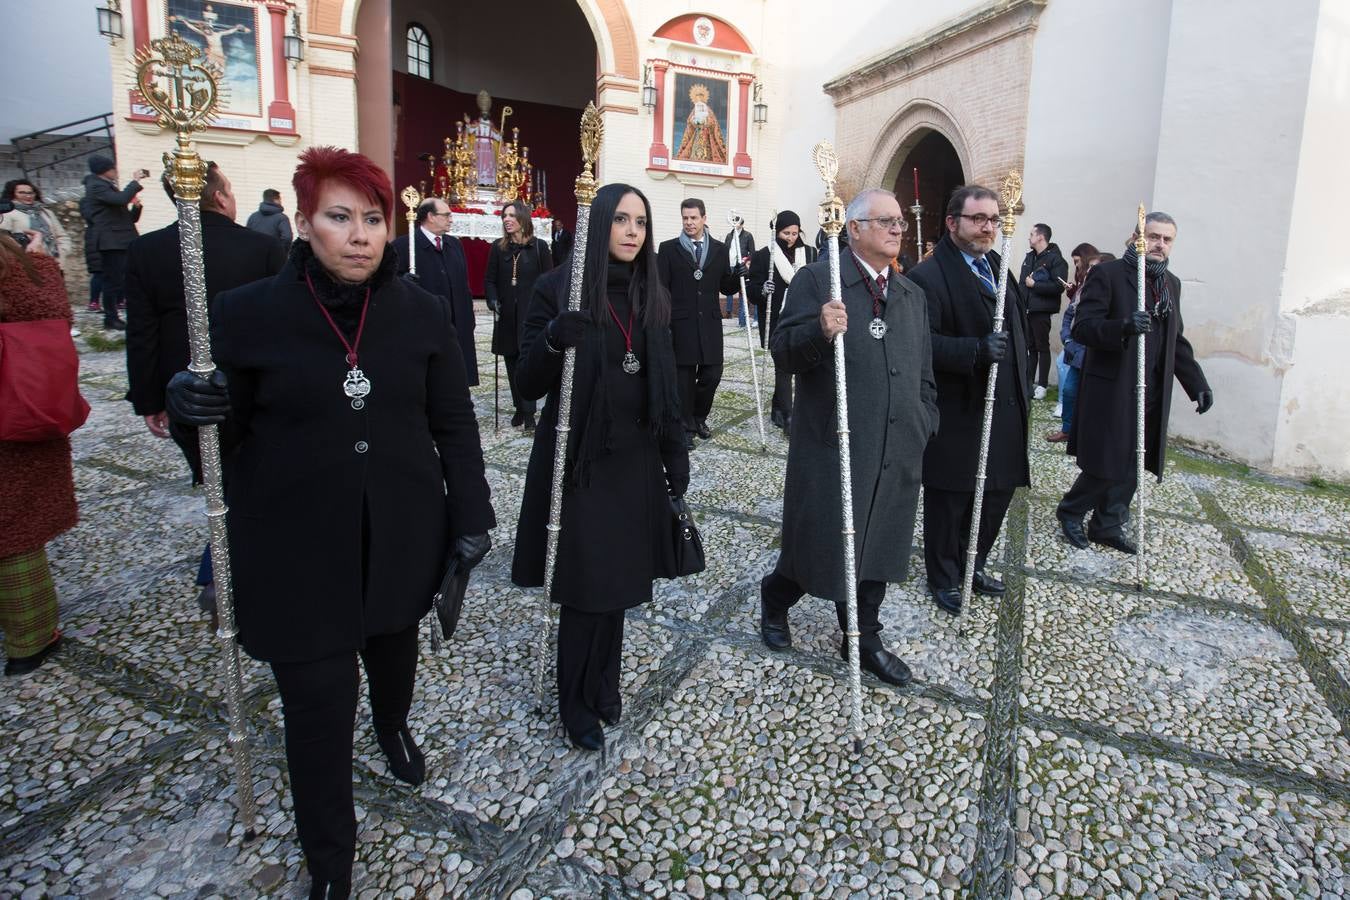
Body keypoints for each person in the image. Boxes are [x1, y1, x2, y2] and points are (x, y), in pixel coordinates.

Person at [164, 146, 494, 899]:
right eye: (339, 218)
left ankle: (395, 725)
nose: (358, 236)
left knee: (393, 653)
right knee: (316, 714)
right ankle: (331, 865)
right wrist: (191, 408)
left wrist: (472, 513)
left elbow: (454, 421)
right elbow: (222, 437)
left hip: (402, 533)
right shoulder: (247, 315)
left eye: (372, 220)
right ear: (306, 222)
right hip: (295, 549)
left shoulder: (420, 311)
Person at [511, 183, 687, 751]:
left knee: (621, 583)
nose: (633, 231)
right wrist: (553, 342)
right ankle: (575, 701)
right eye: (621, 220)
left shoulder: (650, 292)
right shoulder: (556, 289)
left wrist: (673, 459)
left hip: (634, 459)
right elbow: (526, 382)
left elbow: (664, 381)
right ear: (599, 224)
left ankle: (605, 682)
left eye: (641, 222)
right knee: (587, 588)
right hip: (581, 460)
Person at [760, 188, 937, 686]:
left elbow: (924, 370)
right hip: (833, 444)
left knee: (878, 543)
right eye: (885, 222)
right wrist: (818, 329)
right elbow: (784, 353)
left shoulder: (910, 294)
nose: (897, 230)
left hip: (897, 443)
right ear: (854, 228)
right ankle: (775, 600)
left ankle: (862, 638)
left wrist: (926, 418)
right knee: (819, 544)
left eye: (899, 221)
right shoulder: (820, 279)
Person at [124, 163, 287, 615]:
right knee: (241, 482)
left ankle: (220, 567)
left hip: (183, 399)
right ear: (218, 197)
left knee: (225, 481)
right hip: (254, 390)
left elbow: (141, 333)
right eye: (231, 190)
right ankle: (221, 569)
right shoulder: (261, 248)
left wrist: (149, 400)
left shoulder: (146, 251)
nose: (233, 199)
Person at [1058, 213, 1212, 553]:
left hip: (1152, 387)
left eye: (1166, 239)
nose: (1159, 244)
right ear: (1135, 237)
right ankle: (1070, 510)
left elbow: (1177, 340)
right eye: (1153, 236)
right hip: (1114, 386)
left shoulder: (1171, 283)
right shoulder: (1108, 275)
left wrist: (1196, 382)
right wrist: (1124, 326)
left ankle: (1107, 523)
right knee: (1108, 460)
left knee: (1133, 460)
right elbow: (1084, 327)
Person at [908, 185, 1030, 616]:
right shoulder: (927, 277)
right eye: (978, 219)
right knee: (951, 498)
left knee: (997, 492)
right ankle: (944, 575)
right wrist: (974, 351)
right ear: (952, 222)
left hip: (1004, 408)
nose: (988, 227)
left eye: (994, 219)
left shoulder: (997, 263)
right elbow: (919, 345)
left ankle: (971, 564)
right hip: (958, 410)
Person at [0, 233, 76, 676]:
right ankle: (29, 641)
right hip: (16, 413)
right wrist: (41, 262)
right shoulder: (24, 270)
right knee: (16, 535)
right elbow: (51, 313)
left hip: (15, 417)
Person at [656, 198, 742, 446]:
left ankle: (698, 417)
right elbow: (661, 288)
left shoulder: (719, 249)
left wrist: (737, 276)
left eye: (694, 218)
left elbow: (725, 286)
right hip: (680, 325)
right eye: (685, 218)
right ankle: (685, 426)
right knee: (683, 381)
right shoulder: (669, 249)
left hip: (710, 325)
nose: (689, 222)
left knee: (712, 375)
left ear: (704, 218)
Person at [392, 196, 479, 386]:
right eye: (446, 215)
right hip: (425, 325)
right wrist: (402, 282)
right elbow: (387, 284)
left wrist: (468, 317)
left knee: (457, 377)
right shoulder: (403, 246)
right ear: (431, 216)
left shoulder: (454, 244)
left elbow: (464, 284)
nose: (451, 219)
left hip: (457, 324)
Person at [485, 199, 554, 429]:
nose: (507, 219)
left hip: (531, 318)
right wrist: (492, 299)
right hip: (506, 317)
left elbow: (549, 281)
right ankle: (518, 408)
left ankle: (529, 412)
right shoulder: (498, 247)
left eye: (512, 215)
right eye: (504, 216)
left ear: (523, 219)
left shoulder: (539, 248)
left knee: (529, 364)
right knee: (511, 363)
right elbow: (490, 280)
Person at [745, 210, 815, 430]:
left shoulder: (810, 254)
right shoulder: (764, 256)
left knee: (801, 366)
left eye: (795, 233)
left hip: (804, 317)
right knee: (783, 367)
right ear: (777, 232)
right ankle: (788, 415)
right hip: (777, 319)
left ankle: (778, 408)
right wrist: (763, 289)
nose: (791, 238)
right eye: (786, 233)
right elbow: (752, 289)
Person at [83, 155, 150, 331]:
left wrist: (136, 207)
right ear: (105, 170)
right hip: (111, 241)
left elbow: (128, 218)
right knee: (112, 281)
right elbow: (120, 200)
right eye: (113, 168)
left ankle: (118, 314)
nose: (116, 171)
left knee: (122, 279)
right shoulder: (96, 186)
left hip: (121, 239)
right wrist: (134, 182)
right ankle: (111, 317)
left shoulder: (107, 187)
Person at [1047, 244, 1101, 443]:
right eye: (1089, 268)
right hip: (1077, 349)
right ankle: (1068, 429)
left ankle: (1087, 434)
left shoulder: (1104, 291)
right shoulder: (1082, 290)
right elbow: (1070, 314)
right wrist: (1067, 339)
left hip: (1095, 352)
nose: (1090, 272)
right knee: (1069, 390)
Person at [1019, 222, 1068, 400]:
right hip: (1028, 308)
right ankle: (1030, 381)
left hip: (1042, 309)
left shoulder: (1056, 260)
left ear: (1041, 237)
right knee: (1030, 346)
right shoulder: (1029, 257)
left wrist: (1036, 285)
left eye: (1032, 234)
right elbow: (1022, 283)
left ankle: (1042, 385)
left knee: (1042, 346)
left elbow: (1058, 286)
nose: (1029, 237)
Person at [0, 180, 71, 267]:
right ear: (12, 194)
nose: (28, 196)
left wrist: (62, 252)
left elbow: (62, 236)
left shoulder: (46, 212)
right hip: (26, 265)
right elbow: (4, 240)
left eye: (31, 193)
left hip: (54, 263)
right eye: (21, 193)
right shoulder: (7, 213)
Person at [721, 219, 755, 324]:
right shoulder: (729, 235)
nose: (735, 225)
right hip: (729, 265)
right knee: (728, 288)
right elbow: (725, 250)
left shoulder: (748, 235)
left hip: (740, 266)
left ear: (742, 224)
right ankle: (728, 312)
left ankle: (742, 319)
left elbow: (752, 252)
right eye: (734, 223)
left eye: (738, 223)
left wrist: (746, 261)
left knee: (742, 290)